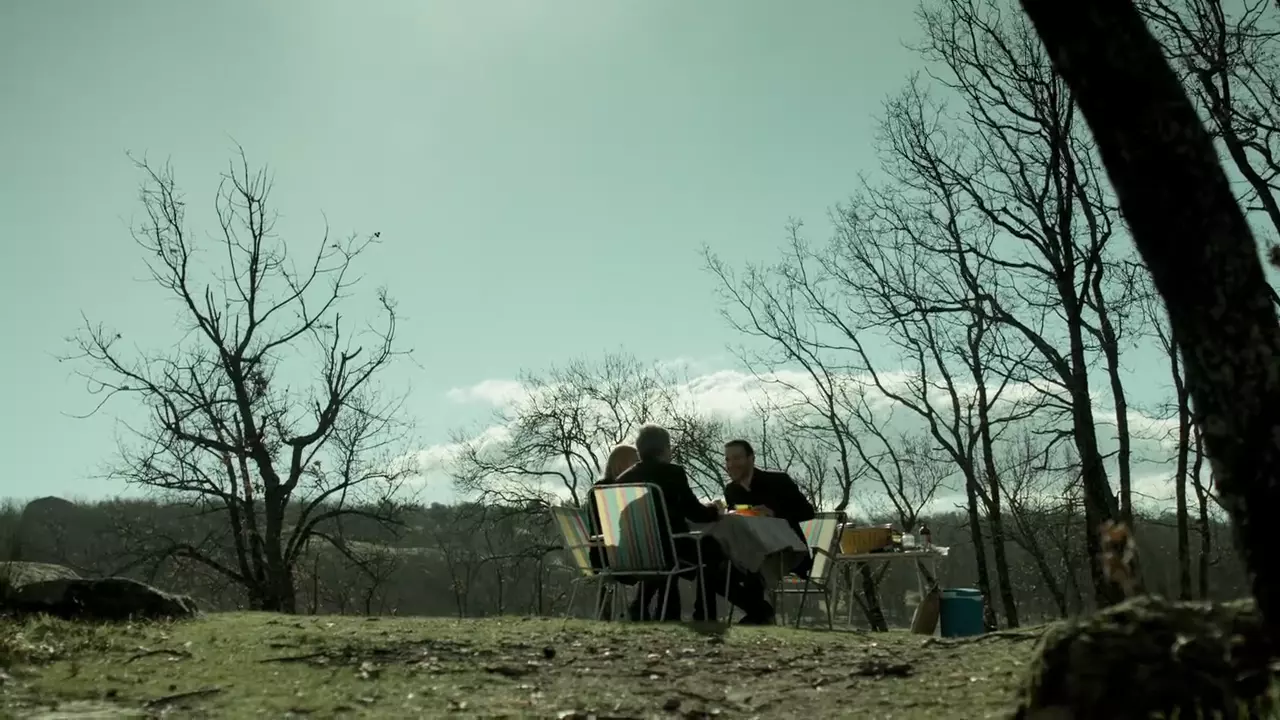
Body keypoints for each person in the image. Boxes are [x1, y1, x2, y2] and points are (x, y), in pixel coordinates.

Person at [616, 424, 776, 624]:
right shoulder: (671, 473)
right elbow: (695, 513)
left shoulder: (622, 480)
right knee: (712, 551)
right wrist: (714, 510)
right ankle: (711, 613)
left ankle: (751, 610)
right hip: (670, 548)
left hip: (631, 552)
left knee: (705, 553)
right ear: (664, 448)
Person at [723, 439, 817, 577]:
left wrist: (774, 513)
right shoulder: (731, 491)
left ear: (751, 459)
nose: (731, 464)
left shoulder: (778, 481)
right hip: (750, 554)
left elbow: (807, 512)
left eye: (737, 458)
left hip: (788, 555)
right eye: (727, 460)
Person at [587, 444, 642, 619]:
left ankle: (637, 608)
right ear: (622, 464)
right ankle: (641, 608)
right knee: (662, 560)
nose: (638, 467)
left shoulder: (597, 489)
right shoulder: (621, 491)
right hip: (617, 555)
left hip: (600, 555)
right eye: (636, 462)